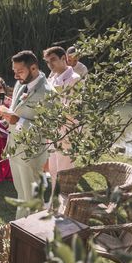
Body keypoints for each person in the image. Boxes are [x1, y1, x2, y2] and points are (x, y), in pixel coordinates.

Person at [0, 50, 54, 220]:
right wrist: (6, 117)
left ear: (34, 68)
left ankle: (29, 235)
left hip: (32, 155)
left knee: (31, 200)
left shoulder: (48, 93)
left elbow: (48, 128)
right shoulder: (21, 84)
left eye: (19, 71)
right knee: (22, 195)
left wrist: (17, 121)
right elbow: (15, 113)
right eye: (14, 71)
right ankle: (24, 233)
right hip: (15, 149)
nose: (15, 76)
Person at [43, 46, 82, 195]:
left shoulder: (75, 79)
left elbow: (72, 108)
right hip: (52, 127)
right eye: (47, 62)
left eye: (53, 59)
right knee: (53, 165)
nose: (50, 64)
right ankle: (55, 199)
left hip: (67, 128)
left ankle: (67, 199)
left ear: (63, 58)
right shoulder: (52, 78)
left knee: (65, 167)